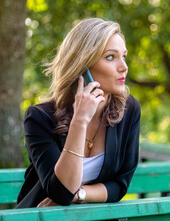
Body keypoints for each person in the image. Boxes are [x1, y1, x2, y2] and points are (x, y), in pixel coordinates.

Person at [16, 18, 140, 208]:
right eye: (110, 57)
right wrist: (80, 120)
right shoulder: (39, 117)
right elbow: (60, 190)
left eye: (124, 56)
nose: (124, 66)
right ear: (83, 66)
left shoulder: (129, 110)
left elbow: (119, 185)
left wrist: (79, 194)